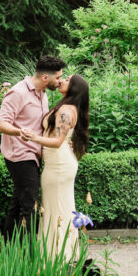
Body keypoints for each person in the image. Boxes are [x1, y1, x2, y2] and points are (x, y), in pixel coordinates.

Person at [0, 55, 65, 238]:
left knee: (18, 202)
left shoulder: (42, 95)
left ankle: (8, 250)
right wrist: (20, 132)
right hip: (20, 156)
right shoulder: (18, 93)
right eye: (57, 78)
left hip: (33, 155)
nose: (59, 82)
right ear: (45, 78)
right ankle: (29, 256)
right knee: (30, 206)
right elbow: (1, 124)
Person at [22, 74, 89, 261]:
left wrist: (32, 138)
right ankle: (58, 258)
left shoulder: (67, 111)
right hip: (55, 165)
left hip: (59, 167)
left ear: (74, 88)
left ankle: (59, 260)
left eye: (67, 80)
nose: (62, 81)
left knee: (58, 212)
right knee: (55, 211)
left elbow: (57, 141)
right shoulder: (66, 107)